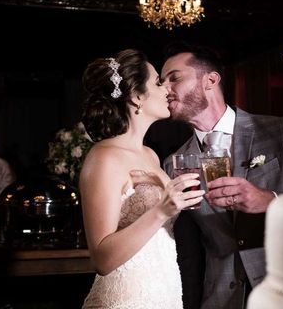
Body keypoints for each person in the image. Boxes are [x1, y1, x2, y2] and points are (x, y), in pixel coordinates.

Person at [161, 42, 283, 309]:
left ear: (210, 80)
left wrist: (270, 201)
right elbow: (189, 253)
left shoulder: (282, 131)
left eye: (174, 79)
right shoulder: (173, 165)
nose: (165, 90)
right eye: (161, 83)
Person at [79, 48, 204, 309]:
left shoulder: (150, 155)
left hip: (165, 293)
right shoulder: (104, 157)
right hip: (127, 299)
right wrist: (161, 210)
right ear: (137, 97)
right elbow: (101, 259)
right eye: (158, 82)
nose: (167, 89)